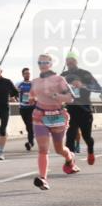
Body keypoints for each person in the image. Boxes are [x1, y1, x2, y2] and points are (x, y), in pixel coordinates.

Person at [28, 53, 78, 190]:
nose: (42, 65)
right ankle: (43, 179)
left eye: (45, 62)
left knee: (59, 149)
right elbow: (32, 95)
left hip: (57, 116)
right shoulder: (36, 81)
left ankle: (69, 158)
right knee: (43, 149)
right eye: (40, 62)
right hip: (40, 116)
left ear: (51, 64)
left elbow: (70, 98)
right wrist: (31, 99)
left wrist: (55, 95)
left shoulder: (59, 79)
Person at [61, 52, 99, 166]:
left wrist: (83, 85)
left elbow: (98, 88)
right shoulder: (63, 75)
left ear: (76, 61)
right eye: (68, 60)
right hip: (70, 111)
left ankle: (90, 151)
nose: (70, 62)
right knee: (70, 138)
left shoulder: (85, 74)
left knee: (87, 136)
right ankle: (70, 162)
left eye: (72, 60)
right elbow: (56, 90)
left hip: (84, 110)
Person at [17, 67, 35, 151]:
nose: (27, 74)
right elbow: (13, 92)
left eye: (28, 73)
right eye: (26, 73)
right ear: (23, 74)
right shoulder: (19, 84)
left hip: (32, 108)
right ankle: (31, 140)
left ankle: (30, 143)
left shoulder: (33, 84)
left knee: (30, 125)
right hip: (23, 108)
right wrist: (14, 96)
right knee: (28, 126)